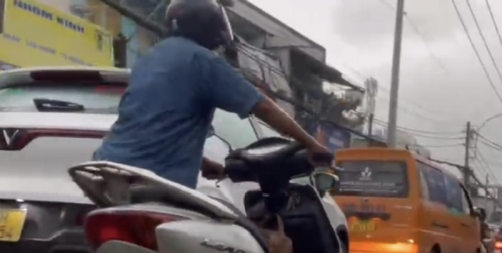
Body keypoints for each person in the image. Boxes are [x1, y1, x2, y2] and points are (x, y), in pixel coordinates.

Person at [93, 0, 330, 189]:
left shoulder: (149, 59)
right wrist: (312, 145)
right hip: (157, 183)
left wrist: (203, 163)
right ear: (209, 27)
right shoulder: (204, 61)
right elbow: (264, 107)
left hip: (107, 171)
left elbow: (151, 124)